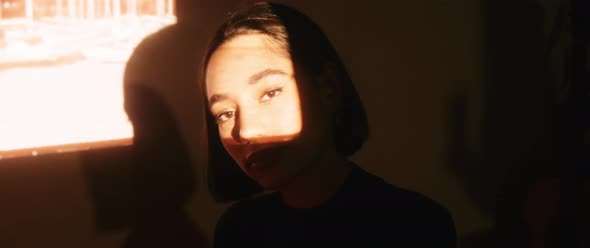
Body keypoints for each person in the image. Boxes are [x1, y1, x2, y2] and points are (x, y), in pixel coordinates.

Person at [200, 2, 456, 247]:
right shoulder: (240, 230)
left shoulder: (412, 225)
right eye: (225, 113)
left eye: (270, 93)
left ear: (328, 88)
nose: (245, 131)